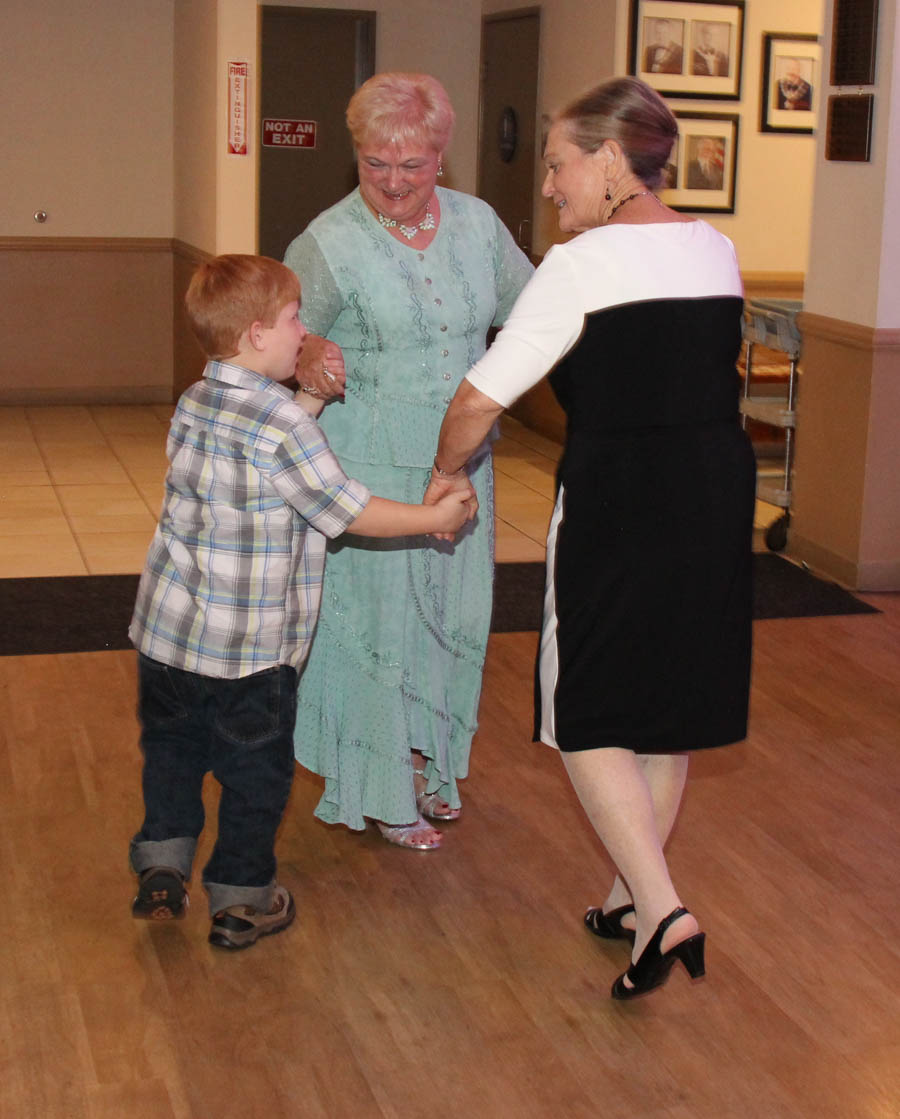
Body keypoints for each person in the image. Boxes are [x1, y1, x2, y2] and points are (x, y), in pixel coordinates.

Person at [426, 77, 755, 998]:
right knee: (667, 696)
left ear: (611, 160)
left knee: (584, 712)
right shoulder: (717, 248)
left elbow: (478, 399)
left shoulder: (579, 267)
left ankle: (663, 907)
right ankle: (626, 896)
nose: (549, 186)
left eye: (560, 164)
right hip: (717, 491)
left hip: (623, 499)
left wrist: (447, 473)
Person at [128, 254, 474, 948]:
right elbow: (347, 512)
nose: (303, 330)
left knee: (171, 754)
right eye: (293, 320)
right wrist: (435, 518)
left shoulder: (196, 399)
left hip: (167, 642)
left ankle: (162, 867)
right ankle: (241, 896)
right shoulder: (284, 429)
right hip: (250, 657)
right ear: (258, 334)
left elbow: (262, 460)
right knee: (255, 776)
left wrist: (310, 401)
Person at [282, 73, 533, 850]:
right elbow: (278, 340)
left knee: (450, 623)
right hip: (367, 469)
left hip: (460, 466)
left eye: (412, 165)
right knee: (377, 629)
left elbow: (534, 315)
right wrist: (311, 349)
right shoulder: (327, 241)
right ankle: (384, 789)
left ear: (441, 156)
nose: (393, 182)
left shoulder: (480, 225)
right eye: (374, 163)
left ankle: (433, 766)